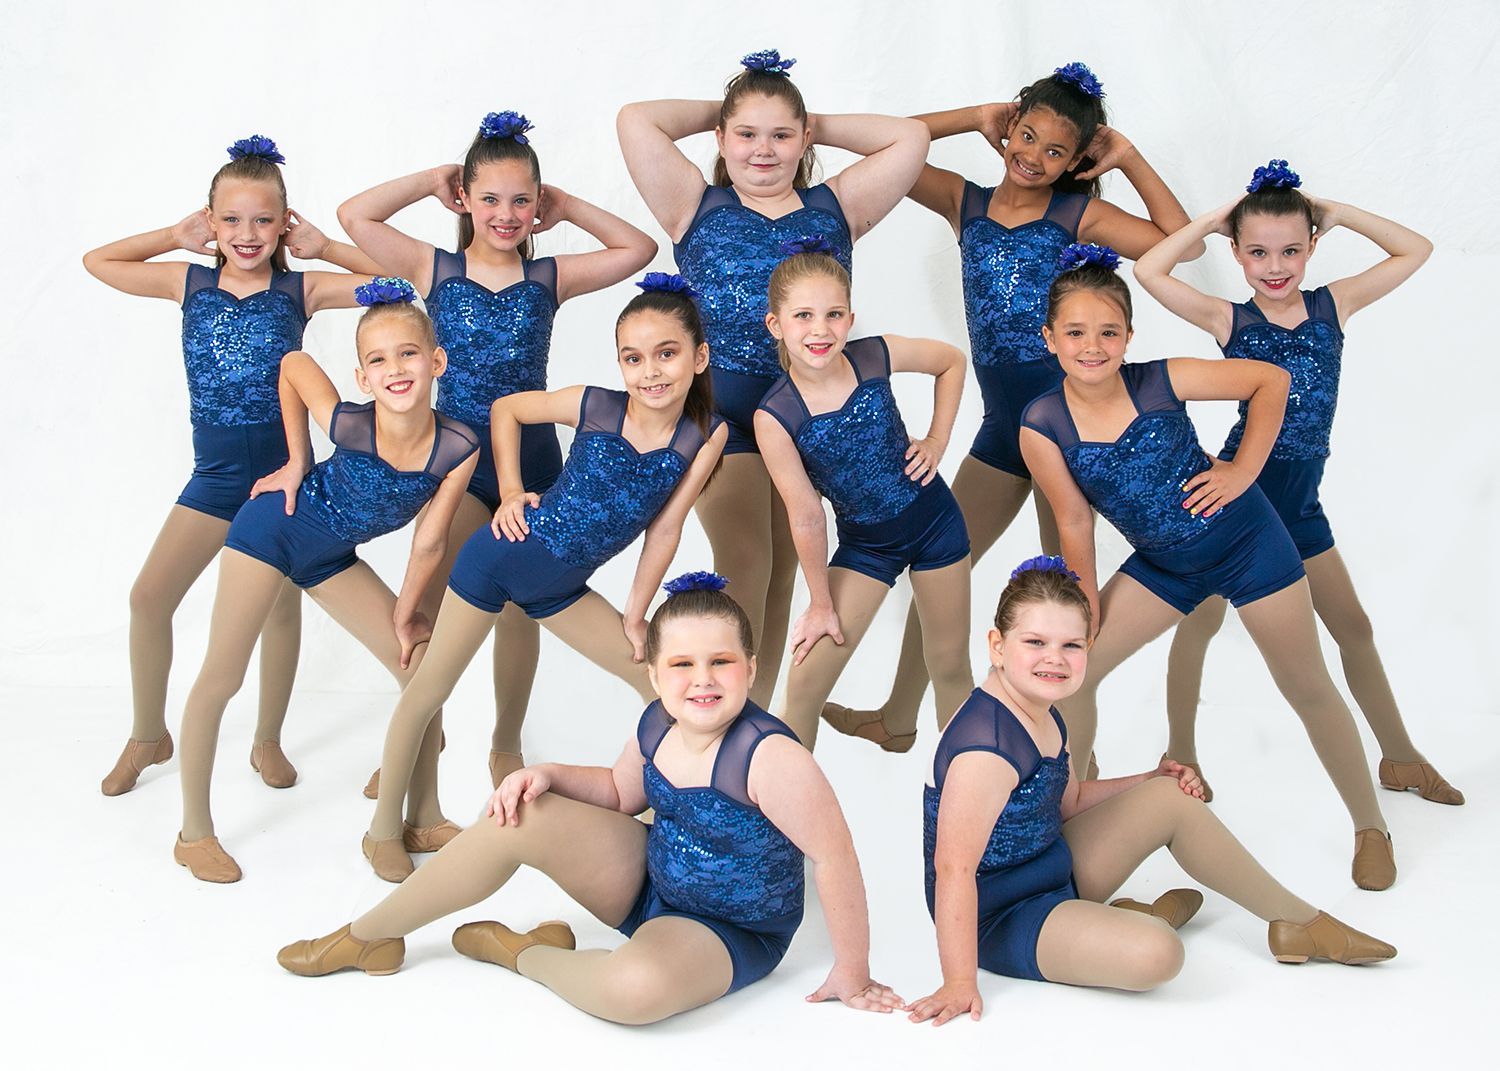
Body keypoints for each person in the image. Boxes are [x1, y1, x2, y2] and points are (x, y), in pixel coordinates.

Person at [279, 574, 904, 1025]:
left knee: (633, 992)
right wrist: (547, 773)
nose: (702, 679)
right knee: (518, 811)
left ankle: (528, 953)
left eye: (721, 661)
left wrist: (852, 970)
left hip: (730, 929)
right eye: (682, 664)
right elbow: (618, 793)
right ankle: (369, 935)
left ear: (750, 666)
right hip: (649, 883)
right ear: (656, 675)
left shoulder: (772, 757)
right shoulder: (657, 724)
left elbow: (836, 857)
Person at [824, 62, 1196, 750]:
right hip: (1003, 431)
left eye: (1056, 151)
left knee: (1069, 606)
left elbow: (1185, 243)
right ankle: (899, 717)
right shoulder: (964, 200)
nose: (1034, 158)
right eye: (1025, 136)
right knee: (940, 561)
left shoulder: (1076, 212)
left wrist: (1132, 157)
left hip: (1065, 429)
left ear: (1078, 160)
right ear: (1010, 127)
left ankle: (1073, 765)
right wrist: (973, 114)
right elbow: (887, 147)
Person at [1019, 244, 1394, 889]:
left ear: (1129, 336)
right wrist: (1086, 612)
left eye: (1109, 332)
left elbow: (1268, 380)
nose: (1093, 346)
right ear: (1050, 338)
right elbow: (1076, 524)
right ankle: (1075, 805)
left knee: (1305, 683)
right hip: (1165, 565)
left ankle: (1370, 824)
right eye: (1076, 332)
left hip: (1247, 543)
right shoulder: (1042, 425)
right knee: (1076, 674)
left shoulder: (1159, 380)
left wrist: (1243, 471)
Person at [907, 557, 1395, 1025]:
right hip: (1001, 916)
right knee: (1158, 955)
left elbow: (1069, 803)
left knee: (1169, 798)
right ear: (997, 645)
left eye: (1071, 646)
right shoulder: (986, 748)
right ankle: (1141, 921)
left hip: (1052, 866)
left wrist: (1148, 781)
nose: (1054, 659)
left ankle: (1298, 923)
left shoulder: (1041, 708)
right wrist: (957, 981)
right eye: (1035, 642)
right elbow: (953, 869)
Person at [361, 276, 728, 882]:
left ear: (699, 357)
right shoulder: (597, 405)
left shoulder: (704, 436)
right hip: (504, 557)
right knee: (428, 689)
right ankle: (382, 831)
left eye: (667, 354)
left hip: (559, 588)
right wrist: (509, 491)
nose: (650, 373)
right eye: (633, 359)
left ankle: (668, 814)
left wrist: (636, 614)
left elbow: (665, 530)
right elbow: (508, 409)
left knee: (657, 682)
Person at [339, 110, 656, 790]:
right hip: (455, 465)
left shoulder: (549, 279)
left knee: (519, 607)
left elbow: (638, 250)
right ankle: (422, 725)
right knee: (432, 601)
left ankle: (506, 737)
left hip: (536, 465)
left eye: (521, 200)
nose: (505, 214)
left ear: (536, 206)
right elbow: (355, 217)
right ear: (465, 201)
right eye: (489, 198)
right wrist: (427, 181)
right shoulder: (435, 267)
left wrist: (566, 206)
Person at [1134, 160, 1461, 806]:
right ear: (1235, 253)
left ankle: (1399, 756)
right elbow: (1148, 272)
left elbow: (1416, 249)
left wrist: (1334, 211)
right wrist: (1213, 217)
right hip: (1236, 501)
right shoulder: (1230, 320)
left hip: (1301, 504)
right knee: (1198, 624)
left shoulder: (1332, 304)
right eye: (1256, 252)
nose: (1274, 265)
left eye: (1290, 249)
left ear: (1312, 246)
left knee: (1355, 628)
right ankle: (1180, 752)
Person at [618, 49, 928, 706]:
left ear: (805, 138)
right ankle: (721, 726)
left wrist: (804, 117)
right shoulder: (695, 205)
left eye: (782, 135)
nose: (764, 150)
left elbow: (911, 138)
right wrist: (727, 111)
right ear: (722, 140)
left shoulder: (835, 207)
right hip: (721, 423)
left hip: (808, 425)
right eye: (747, 135)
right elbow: (635, 120)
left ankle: (757, 727)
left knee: (785, 576)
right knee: (747, 568)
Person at [82, 135, 382, 796]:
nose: (248, 234)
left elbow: (402, 282)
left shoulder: (300, 292)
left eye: (264, 219)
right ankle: (147, 734)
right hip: (214, 479)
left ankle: (266, 740)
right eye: (233, 219)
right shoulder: (185, 280)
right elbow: (96, 260)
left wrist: (327, 247)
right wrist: (170, 234)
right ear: (210, 222)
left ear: (285, 224)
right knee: (147, 596)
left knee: (278, 610)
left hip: (281, 476)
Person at [173, 278, 479, 882]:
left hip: (330, 555)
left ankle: (423, 815)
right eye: (378, 359)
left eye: (409, 353)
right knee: (222, 675)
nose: (396, 369)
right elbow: (291, 362)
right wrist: (296, 461)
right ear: (363, 378)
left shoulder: (458, 445)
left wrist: (407, 611)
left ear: (437, 360)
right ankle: (193, 833)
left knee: (419, 667)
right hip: (273, 531)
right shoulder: (349, 424)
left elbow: (431, 540)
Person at [753, 240, 971, 748]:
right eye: (803, 315)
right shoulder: (775, 416)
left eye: (833, 314)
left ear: (851, 318)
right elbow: (806, 516)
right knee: (804, 686)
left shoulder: (873, 355)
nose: (820, 329)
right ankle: (785, 818)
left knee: (951, 668)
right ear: (776, 324)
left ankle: (978, 802)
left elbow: (951, 362)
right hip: (867, 547)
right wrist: (821, 603)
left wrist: (937, 439)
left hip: (936, 522)